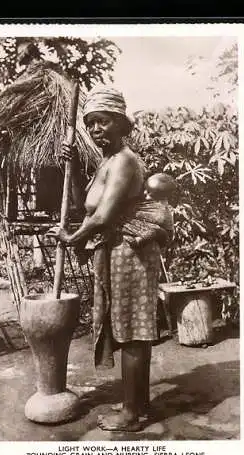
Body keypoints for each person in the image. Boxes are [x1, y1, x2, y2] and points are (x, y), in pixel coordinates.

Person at [47, 85, 173, 431]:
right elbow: (83, 206)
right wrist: (69, 170)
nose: (96, 129)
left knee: (133, 331)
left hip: (131, 252)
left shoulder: (126, 162)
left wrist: (71, 238)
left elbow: (102, 217)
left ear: (121, 123)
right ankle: (139, 402)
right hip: (117, 252)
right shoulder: (107, 161)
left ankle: (131, 415)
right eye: (91, 124)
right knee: (131, 329)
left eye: (103, 122)